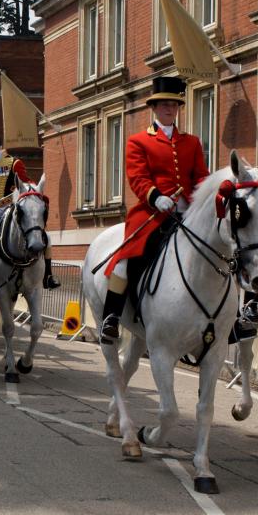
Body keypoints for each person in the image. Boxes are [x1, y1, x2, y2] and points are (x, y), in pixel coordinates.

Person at [100, 76, 210, 342]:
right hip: (151, 213)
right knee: (127, 259)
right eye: (164, 104)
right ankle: (111, 316)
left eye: (173, 104)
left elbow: (201, 177)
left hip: (188, 213)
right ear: (155, 107)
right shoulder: (138, 141)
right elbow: (137, 177)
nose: (169, 109)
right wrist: (156, 196)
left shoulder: (191, 142)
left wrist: (203, 200)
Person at [0, 130, 61, 291]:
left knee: (46, 237)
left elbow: (26, 182)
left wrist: (32, 190)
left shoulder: (14, 163)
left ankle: (48, 276)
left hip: (10, 208)